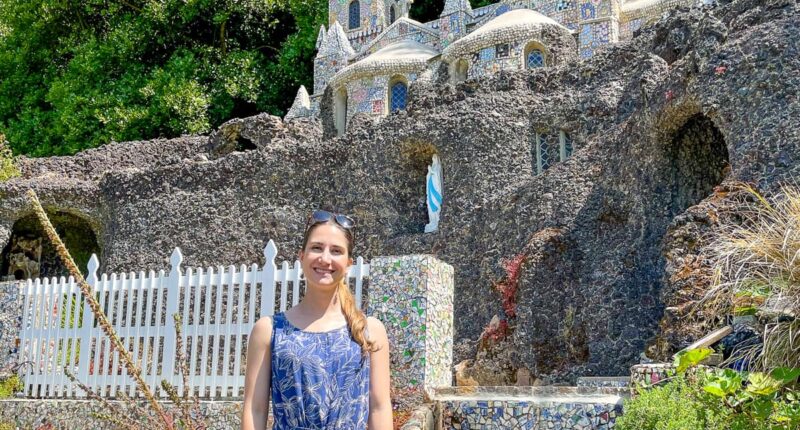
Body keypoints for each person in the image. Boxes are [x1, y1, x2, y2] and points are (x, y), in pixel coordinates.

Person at [242, 210, 392, 429]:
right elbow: (254, 409)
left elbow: (379, 408)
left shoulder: (370, 331)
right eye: (316, 248)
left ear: (349, 262)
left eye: (336, 251)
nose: (325, 258)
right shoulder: (269, 330)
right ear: (301, 256)